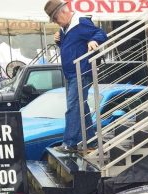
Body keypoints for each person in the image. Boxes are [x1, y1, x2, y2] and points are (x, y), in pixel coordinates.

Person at [44, 0, 107, 154]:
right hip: (72, 74)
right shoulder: (66, 28)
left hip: (81, 73)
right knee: (81, 106)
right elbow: (72, 47)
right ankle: (91, 141)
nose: (55, 22)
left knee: (73, 106)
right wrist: (59, 42)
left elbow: (101, 33)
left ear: (64, 12)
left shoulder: (81, 22)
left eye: (56, 19)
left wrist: (94, 40)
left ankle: (69, 143)